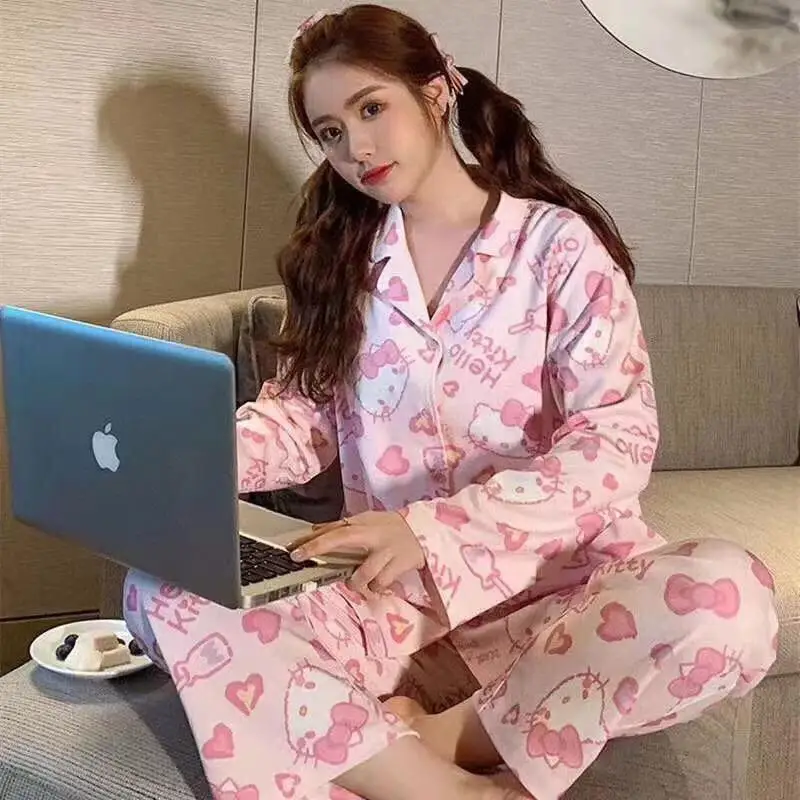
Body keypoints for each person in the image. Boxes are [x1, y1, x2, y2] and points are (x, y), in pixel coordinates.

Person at [123, 5, 779, 799]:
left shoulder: (558, 249)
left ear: (435, 93)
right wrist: (193, 458)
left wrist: (432, 531)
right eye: (331, 132)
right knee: (161, 588)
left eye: (372, 108)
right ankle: (454, 790)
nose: (357, 148)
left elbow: (616, 441)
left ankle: (434, 736)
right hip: (390, 602)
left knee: (729, 601)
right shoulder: (344, 264)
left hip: (558, 595)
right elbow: (302, 417)